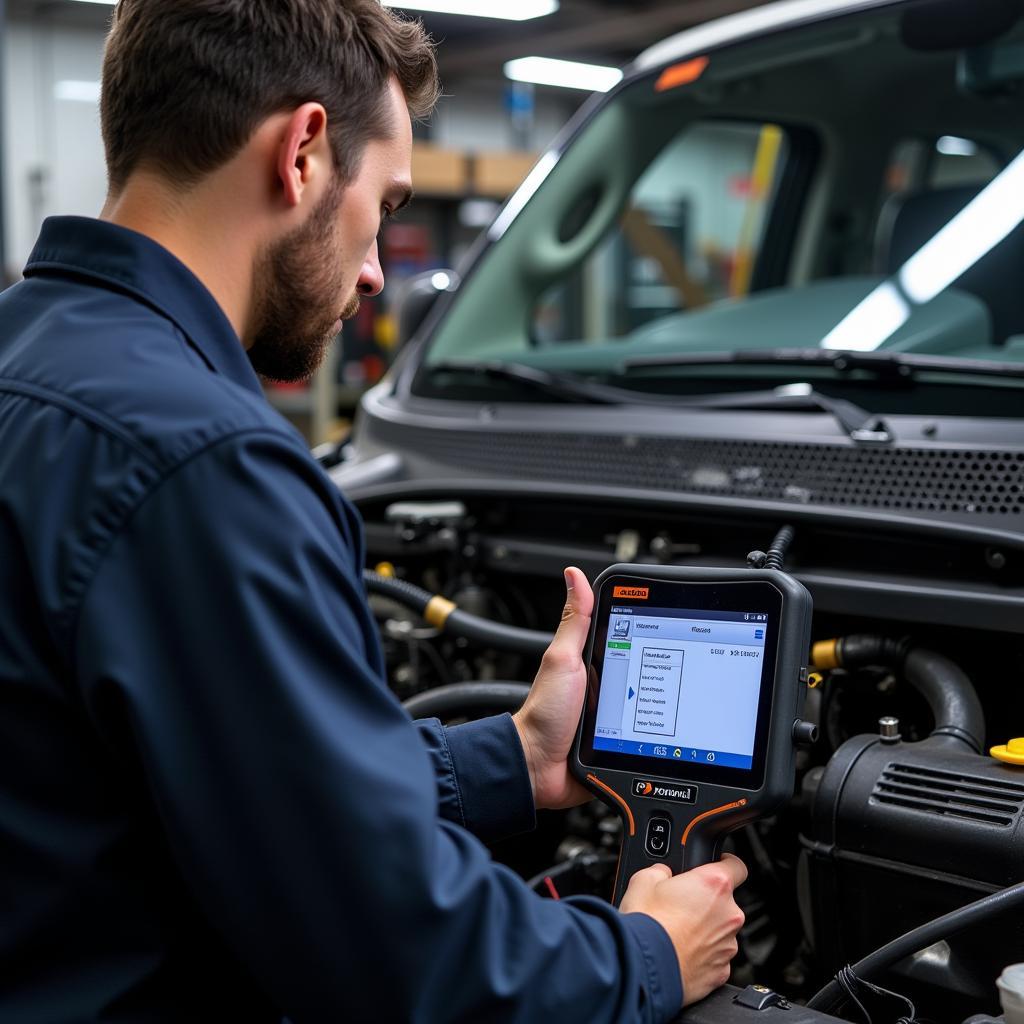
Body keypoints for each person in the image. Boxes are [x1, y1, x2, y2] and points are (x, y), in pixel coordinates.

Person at [0, 2, 747, 1021]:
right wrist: (647, 952)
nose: (371, 272)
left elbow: (223, 796)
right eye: (384, 207)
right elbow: (402, 960)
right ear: (302, 151)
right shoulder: (202, 467)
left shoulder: (29, 369)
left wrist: (514, 758)